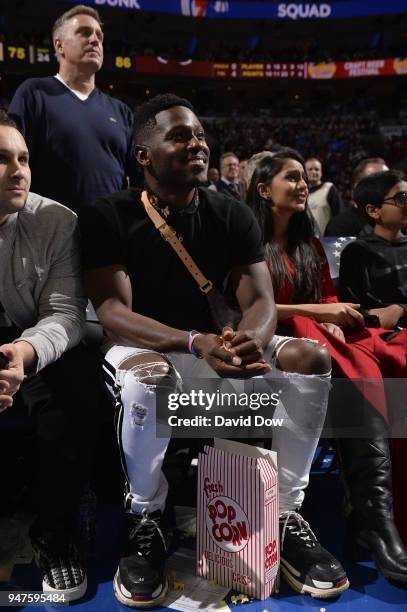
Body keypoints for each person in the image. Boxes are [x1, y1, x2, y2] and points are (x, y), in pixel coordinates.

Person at [80, 94, 349, 607]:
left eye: (200, 134)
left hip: (213, 348)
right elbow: (113, 313)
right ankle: (147, 518)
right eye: (180, 136)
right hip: (151, 348)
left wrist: (252, 339)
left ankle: (287, 513)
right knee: (147, 378)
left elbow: (262, 300)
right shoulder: (107, 214)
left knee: (310, 359)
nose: (198, 143)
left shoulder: (229, 213)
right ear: (144, 154)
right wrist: (193, 341)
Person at [247, 151, 407, 584]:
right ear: (263, 189)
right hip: (268, 340)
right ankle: (374, 521)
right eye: (292, 178)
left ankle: (378, 517)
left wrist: (330, 318)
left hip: (315, 337)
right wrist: (320, 314)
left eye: (304, 178)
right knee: (351, 369)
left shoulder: (308, 242)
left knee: (380, 365)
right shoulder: (243, 237)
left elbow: (328, 296)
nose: (303, 185)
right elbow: (251, 308)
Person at [0, 111, 102, 600]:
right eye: (1, 160)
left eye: (23, 158)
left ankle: (55, 536)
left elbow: (65, 316)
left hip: (30, 336)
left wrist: (22, 354)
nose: (18, 170)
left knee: (75, 391)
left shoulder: (57, 220)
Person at [8, 4, 134, 213]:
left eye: (99, 36)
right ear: (59, 45)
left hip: (111, 234)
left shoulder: (122, 111)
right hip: (48, 233)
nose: (95, 40)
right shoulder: (34, 93)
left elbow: (137, 181)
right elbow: (11, 161)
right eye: (84, 33)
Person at [325, 157, 389, 237]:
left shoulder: (398, 222)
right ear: (357, 187)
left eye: (390, 181)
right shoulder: (339, 226)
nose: (387, 187)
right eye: (378, 181)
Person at [305, 157, 344, 235]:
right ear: (304, 172)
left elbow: (340, 215)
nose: (313, 172)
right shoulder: (302, 192)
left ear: (321, 172)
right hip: (306, 242)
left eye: (317, 169)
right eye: (310, 169)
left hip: (326, 241)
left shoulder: (329, 188)